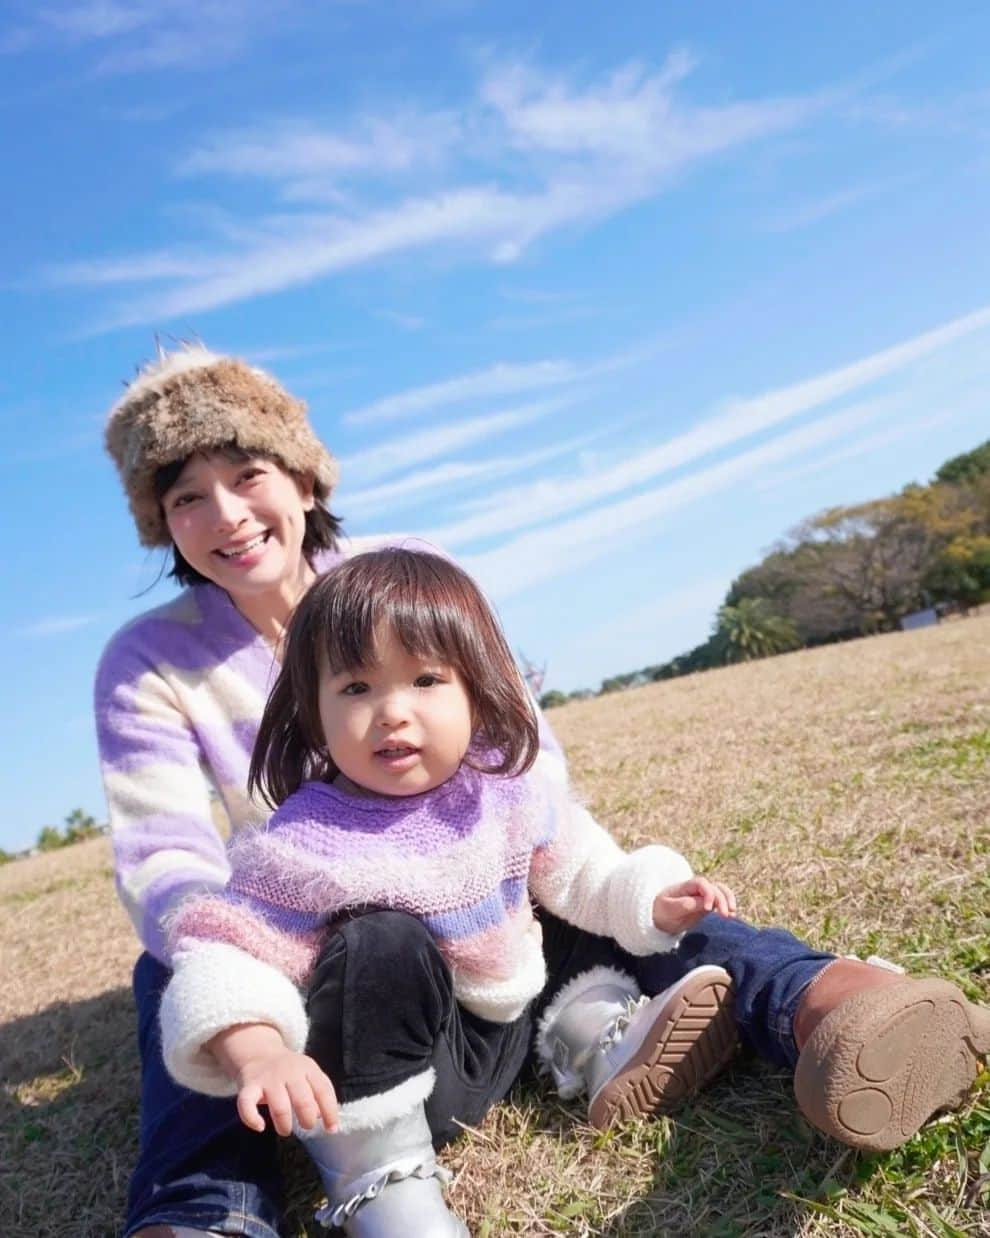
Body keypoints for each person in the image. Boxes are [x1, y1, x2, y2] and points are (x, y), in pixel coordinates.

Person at [96, 344, 990, 1238]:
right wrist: (249, 1004)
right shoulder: (147, 662)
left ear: (299, 475)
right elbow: (164, 857)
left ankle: (818, 1005)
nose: (226, 514)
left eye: (247, 473)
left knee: (602, 888)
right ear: (161, 523)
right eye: (185, 498)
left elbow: (525, 759)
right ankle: (204, 1209)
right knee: (180, 959)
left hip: (476, 875)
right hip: (323, 929)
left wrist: (603, 875)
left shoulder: (413, 573)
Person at [157, 547, 741, 1235]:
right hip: (405, 1083)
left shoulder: (502, 789)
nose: (391, 713)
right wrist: (260, 1051)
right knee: (381, 941)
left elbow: (584, 869)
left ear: (478, 688)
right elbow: (228, 957)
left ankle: (596, 1037)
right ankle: (377, 1180)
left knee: (554, 898)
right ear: (312, 712)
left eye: (425, 679)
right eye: (355, 688)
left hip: (508, 1034)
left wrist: (649, 897)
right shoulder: (304, 842)